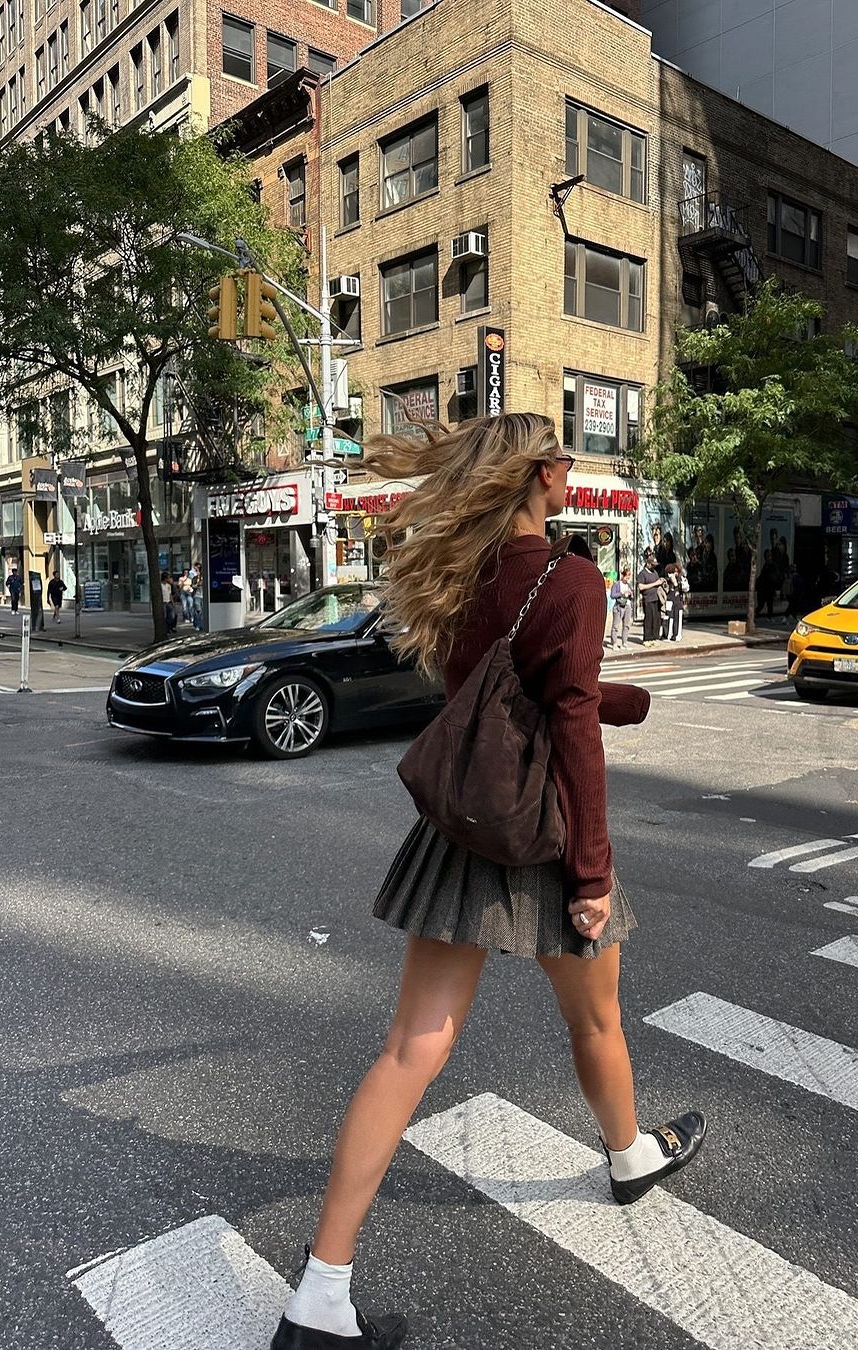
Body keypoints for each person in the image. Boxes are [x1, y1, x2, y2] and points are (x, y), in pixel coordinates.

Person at [270, 414, 706, 1350]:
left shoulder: (460, 574)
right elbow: (570, 725)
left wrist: (615, 697)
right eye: (565, 457)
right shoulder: (573, 578)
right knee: (596, 1021)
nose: (572, 469)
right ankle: (629, 1155)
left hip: (463, 832)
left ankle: (319, 1295)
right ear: (544, 475)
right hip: (545, 834)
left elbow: (511, 691)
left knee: (407, 1052)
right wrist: (592, 872)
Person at [637, 549, 664, 647]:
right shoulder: (642, 574)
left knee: (656, 619)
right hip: (648, 599)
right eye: (652, 565)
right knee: (649, 619)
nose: (654, 566)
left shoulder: (655, 572)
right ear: (648, 564)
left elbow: (658, 583)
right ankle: (647, 638)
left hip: (656, 599)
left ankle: (654, 637)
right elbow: (641, 587)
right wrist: (655, 583)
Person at [663, 562, 690, 641]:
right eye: (672, 572)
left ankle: (676, 635)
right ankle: (667, 634)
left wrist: (676, 584)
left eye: (676, 572)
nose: (674, 574)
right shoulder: (666, 580)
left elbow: (686, 588)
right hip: (669, 601)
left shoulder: (682, 579)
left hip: (678, 602)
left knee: (677, 618)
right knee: (668, 618)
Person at [608, 567, 633, 648]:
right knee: (615, 625)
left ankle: (624, 642)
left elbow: (632, 596)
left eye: (629, 577)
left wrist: (631, 594)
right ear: (622, 575)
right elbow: (612, 595)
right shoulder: (616, 584)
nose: (627, 579)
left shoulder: (629, 585)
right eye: (626, 577)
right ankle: (614, 643)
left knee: (626, 625)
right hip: (619, 606)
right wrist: (622, 593)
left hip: (627, 605)